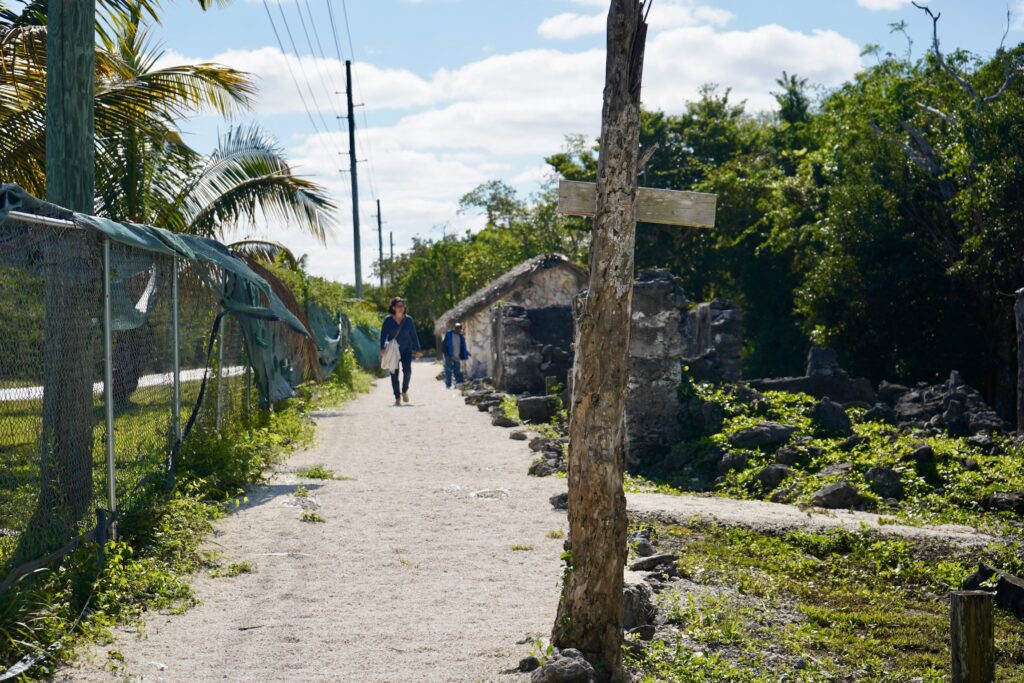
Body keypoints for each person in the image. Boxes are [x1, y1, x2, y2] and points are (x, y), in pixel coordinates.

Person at [380, 297, 422, 406]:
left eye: (402, 306)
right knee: (394, 375)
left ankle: (404, 391)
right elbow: (383, 335)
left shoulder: (408, 320)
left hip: (406, 350)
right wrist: (382, 348)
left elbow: (413, 335)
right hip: (393, 351)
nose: (401, 308)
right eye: (399, 306)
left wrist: (418, 349)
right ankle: (397, 397)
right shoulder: (388, 320)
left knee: (408, 371)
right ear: (393, 307)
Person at [442, 322, 471, 389]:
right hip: (449, 355)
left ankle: (458, 384)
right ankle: (448, 385)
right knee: (448, 370)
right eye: (457, 328)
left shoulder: (460, 336)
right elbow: (444, 344)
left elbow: (462, 347)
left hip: (457, 356)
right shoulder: (449, 334)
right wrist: (446, 354)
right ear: (455, 328)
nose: (458, 330)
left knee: (457, 371)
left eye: (460, 329)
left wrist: (467, 353)